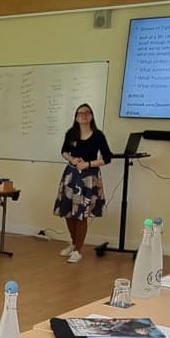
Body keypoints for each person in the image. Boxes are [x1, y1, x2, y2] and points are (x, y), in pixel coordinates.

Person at [55, 103, 111, 263]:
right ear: (76, 117)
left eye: (87, 112)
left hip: (88, 177)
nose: (84, 115)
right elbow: (64, 152)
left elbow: (107, 158)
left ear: (91, 116)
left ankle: (78, 250)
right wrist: (72, 159)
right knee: (68, 211)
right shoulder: (71, 133)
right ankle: (74, 243)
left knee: (81, 214)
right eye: (81, 113)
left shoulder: (98, 135)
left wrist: (88, 164)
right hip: (71, 176)